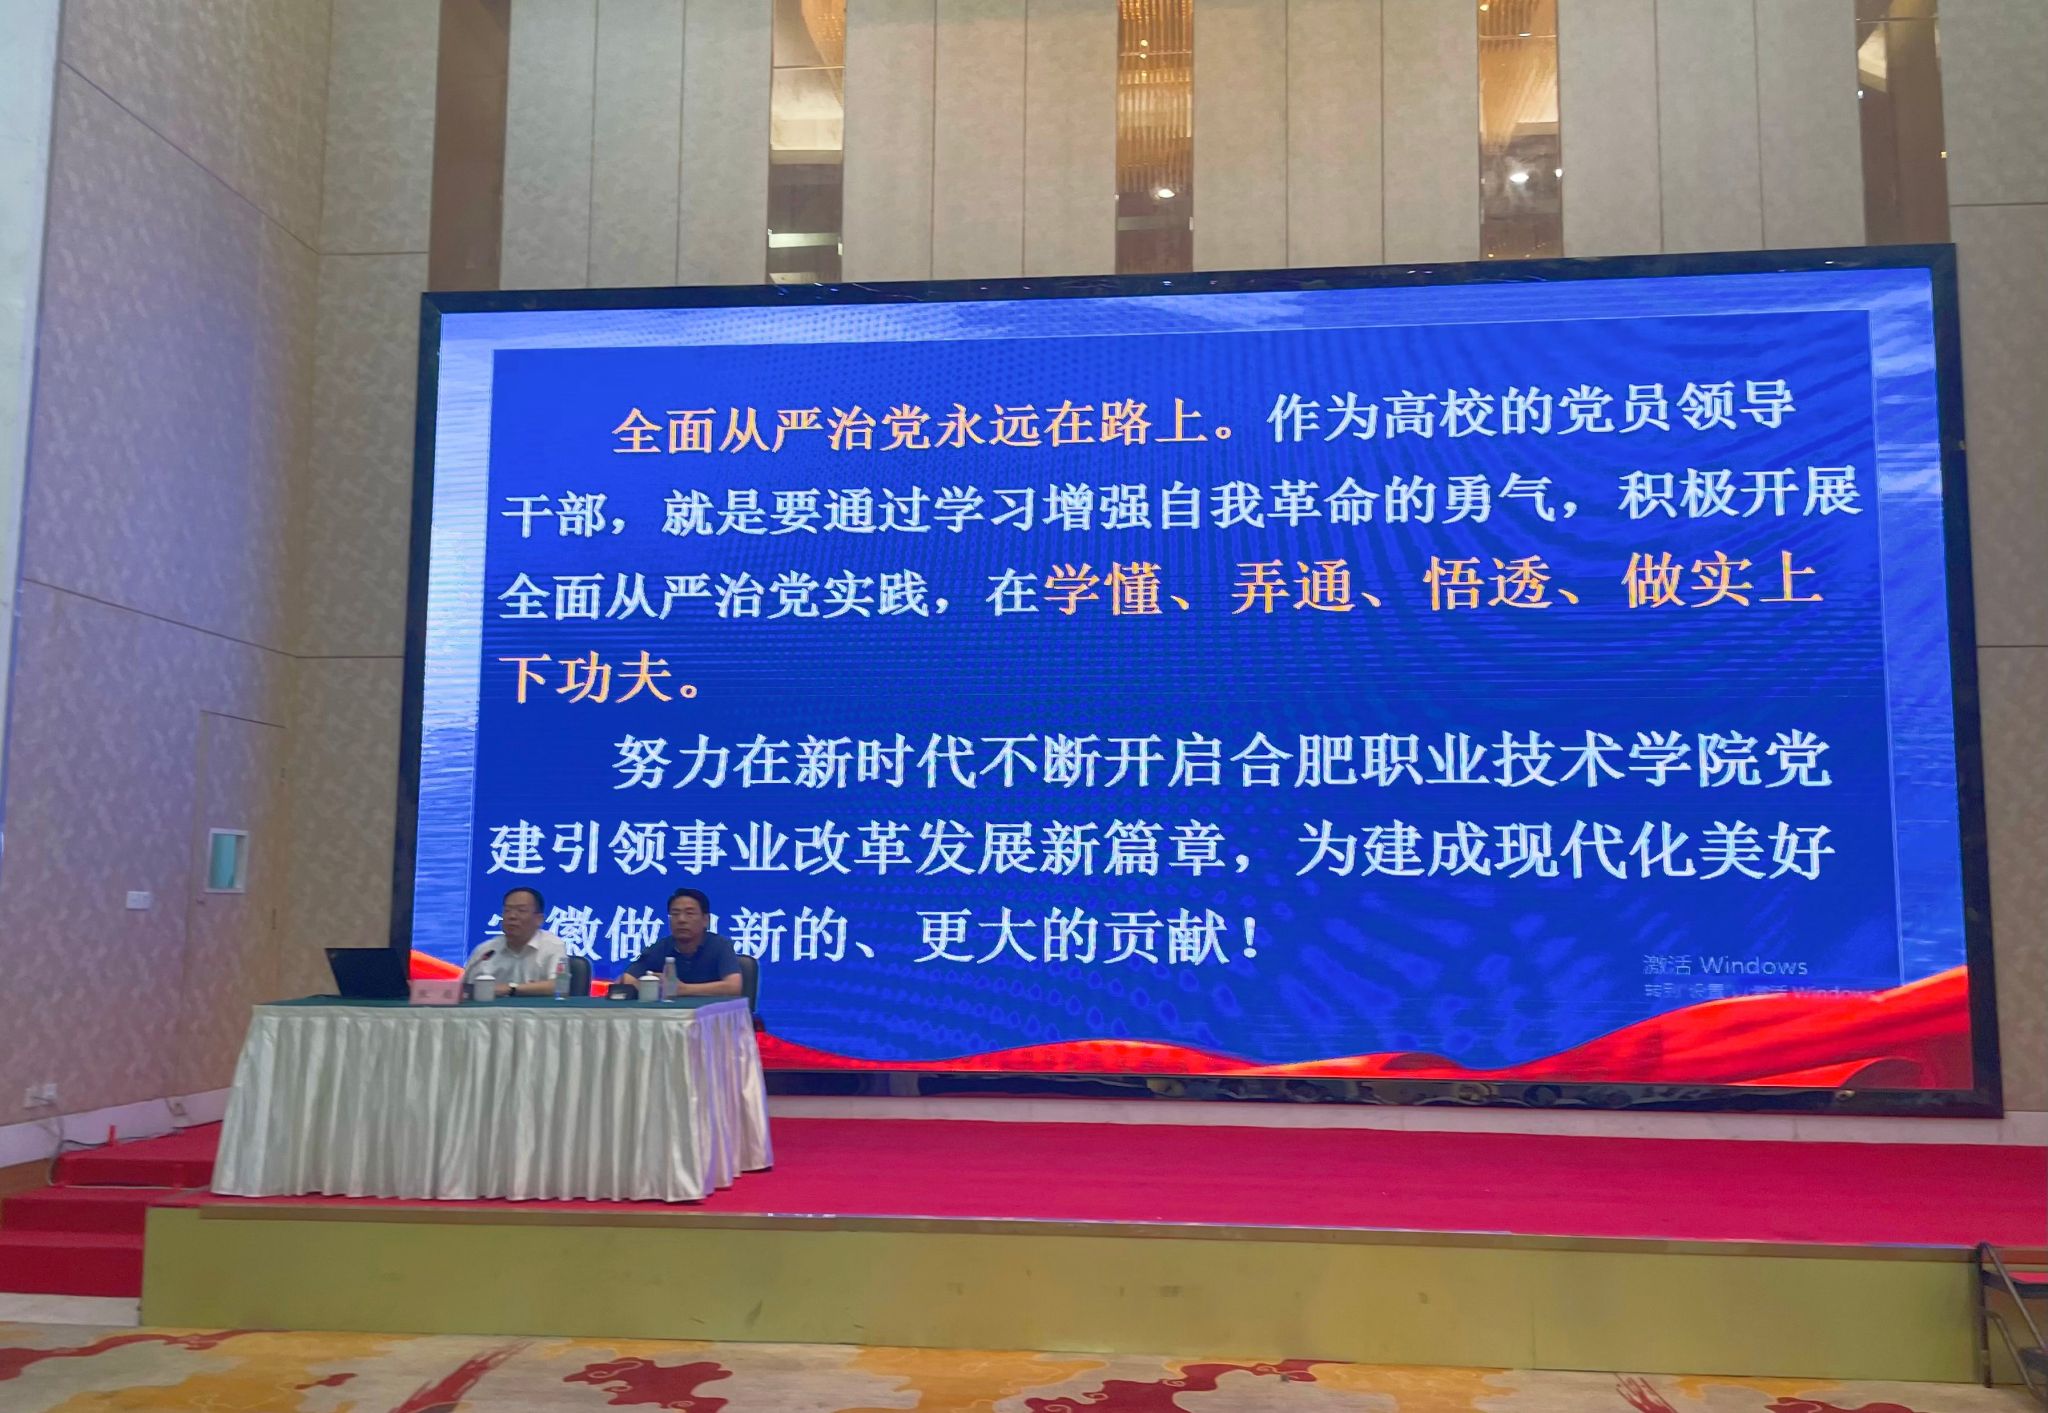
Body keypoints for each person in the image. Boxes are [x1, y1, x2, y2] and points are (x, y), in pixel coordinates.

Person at [621, 887, 743, 998]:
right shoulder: (660, 948)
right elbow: (627, 979)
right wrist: (648, 985)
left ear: (705, 920)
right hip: (668, 1014)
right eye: (675, 914)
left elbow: (734, 987)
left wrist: (683, 989)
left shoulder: (720, 946)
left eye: (689, 913)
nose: (681, 919)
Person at [459, 886, 567, 997]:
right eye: (507, 910)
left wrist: (511, 989)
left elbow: (561, 986)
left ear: (539, 919)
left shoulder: (553, 946)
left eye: (521, 910)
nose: (512, 916)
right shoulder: (486, 951)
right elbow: (463, 987)